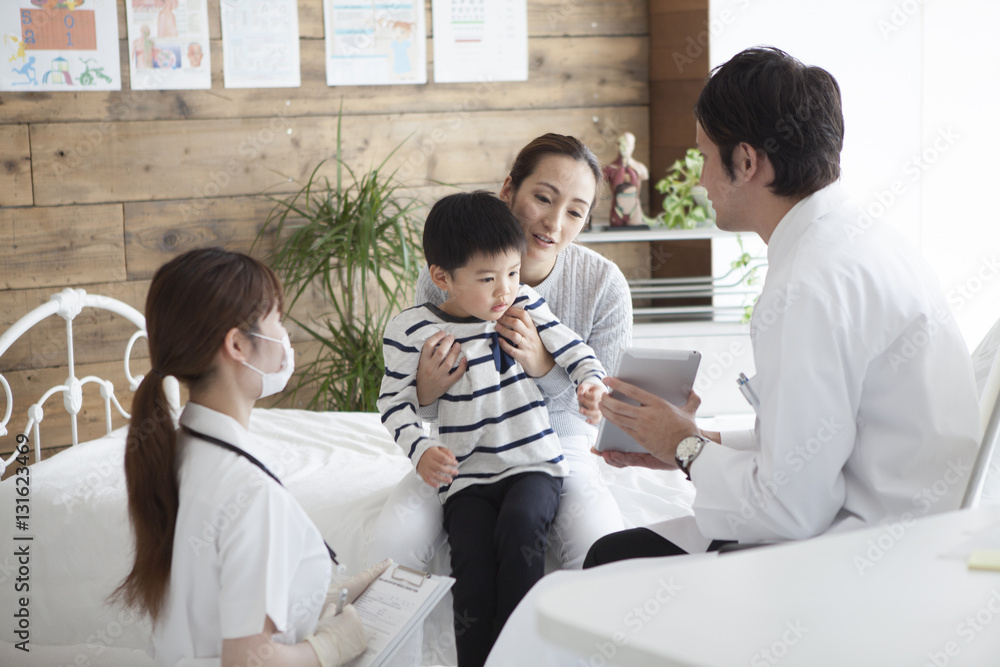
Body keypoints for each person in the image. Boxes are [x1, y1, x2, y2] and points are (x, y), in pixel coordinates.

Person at [585, 46, 981, 565]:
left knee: (608, 563)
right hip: (922, 531)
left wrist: (687, 451)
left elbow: (791, 509)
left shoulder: (807, 286)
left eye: (704, 156)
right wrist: (691, 438)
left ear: (747, 161)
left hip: (867, 556)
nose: (701, 180)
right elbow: (816, 440)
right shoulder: (865, 242)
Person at [366, 134, 633, 583]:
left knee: (600, 549)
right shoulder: (449, 274)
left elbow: (595, 414)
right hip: (464, 444)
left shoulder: (603, 285)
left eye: (574, 211)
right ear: (509, 190)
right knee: (391, 545)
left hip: (557, 447)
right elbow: (425, 405)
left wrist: (543, 368)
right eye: (543, 198)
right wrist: (427, 391)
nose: (553, 222)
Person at [111, 247, 389, 667]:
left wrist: (321, 597)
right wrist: (328, 648)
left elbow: (215, 594)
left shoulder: (181, 450)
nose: (284, 334)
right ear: (238, 344)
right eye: (276, 317)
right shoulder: (251, 493)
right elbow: (247, 661)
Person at [378, 191, 610, 667]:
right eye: (487, 279)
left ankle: (518, 656)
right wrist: (420, 449)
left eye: (511, 272)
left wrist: (591, 383)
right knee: (474, 572)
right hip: (466, 479)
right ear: (442, 277)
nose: (504, 290)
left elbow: (576, 349)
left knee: (521, 527)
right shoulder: (411, 330)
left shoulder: (522, 303)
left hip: (533, 464)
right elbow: (393, 403)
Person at [602, 131, 649, 226]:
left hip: (635, 209)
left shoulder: (640, 168)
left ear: (633, 146)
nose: (626, 147)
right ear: (617, 145)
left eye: (629, 144)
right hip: (617, 208)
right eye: (623, 144)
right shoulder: (610, 169)